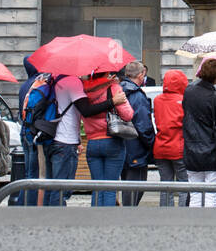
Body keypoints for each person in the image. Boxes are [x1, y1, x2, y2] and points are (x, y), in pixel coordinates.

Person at [182, 55, 216, 207]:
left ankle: (193, 227)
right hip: (213, 151)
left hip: (192, 149)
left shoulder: (189, 91)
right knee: (211, 196)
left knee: (194, 194)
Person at [79, 70, 135, 207]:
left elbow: (83, 113)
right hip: (112, 141)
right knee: (110, 187)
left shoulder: (83, 89)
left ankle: (95, 222)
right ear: (107, 72)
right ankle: (108, 223)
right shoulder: (113, 88)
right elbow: (128, 115)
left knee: (97, 188)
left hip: (92, 142)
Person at [44, 73, 90, 207]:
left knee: (52, 186)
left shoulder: (53, 80)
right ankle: (57, 222)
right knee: (61, 189)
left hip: (52, 137)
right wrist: (112, 101)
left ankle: (47, 220)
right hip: (66, 141)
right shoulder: (73, 82)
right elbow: (86, 109)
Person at [119, 61, 156, 206]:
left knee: (127, 185)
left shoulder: (119, 90)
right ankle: (129, 219)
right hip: (136, 147)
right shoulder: (136, 94)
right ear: (141, 75)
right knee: (136, 187)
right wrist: (151, 143)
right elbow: (143, 125)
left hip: (121, 144)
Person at [153, 69, 189, 206]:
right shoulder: (183, 100)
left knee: (165, 186)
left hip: (161, 147)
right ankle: (181, 215)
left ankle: (165, 214)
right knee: (183, 186)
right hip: (178, 147)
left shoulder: (157, 100)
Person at [16, 56, 46, 206]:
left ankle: (21, 204)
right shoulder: (38, 85)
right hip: (34, 132)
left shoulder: (24, 86)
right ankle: (28, 206)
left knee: (28, 173)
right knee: (35, 174)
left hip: (24, 130)